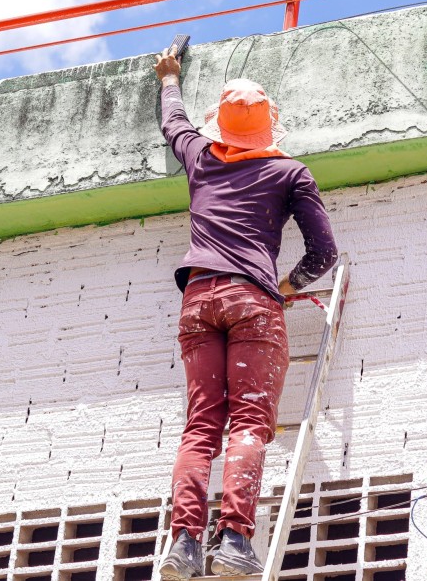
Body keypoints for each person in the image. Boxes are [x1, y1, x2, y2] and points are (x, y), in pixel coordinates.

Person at [154, 45, 338, 579]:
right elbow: (323, 254)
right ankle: (233, 540)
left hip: (197, 299)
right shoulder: (290, 173)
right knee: (250, 423)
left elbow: (174, 122)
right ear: (268, 126)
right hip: (252, 301)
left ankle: (183, 544)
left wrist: (169, 77)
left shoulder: (200, 156)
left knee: (200, 427)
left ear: (221, 124)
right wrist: (284, 286)